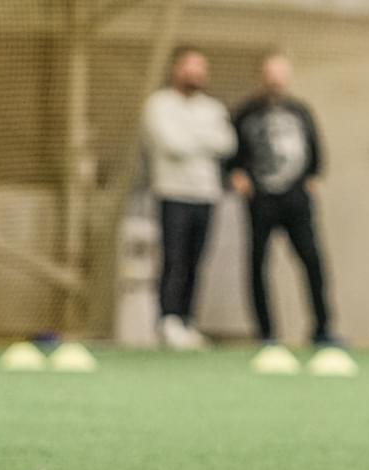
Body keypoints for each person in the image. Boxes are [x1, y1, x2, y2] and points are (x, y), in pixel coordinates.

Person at [228, 53, 336, 352]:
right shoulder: (245, 113)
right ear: (262, 76)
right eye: (270, 73)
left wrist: (312, 177)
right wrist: (236, 175)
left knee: (312, 261)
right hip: (261, 199)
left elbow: (315, 149)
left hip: (296, 199)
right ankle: (266, 333)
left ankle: (322, 328)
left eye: (280, 74)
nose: (276, 79)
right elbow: (230, 153)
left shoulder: (300, 111)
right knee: (258, 263)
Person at [141, 46, 236, 350]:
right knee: (174, 258)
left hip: (206, 194)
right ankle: (168, 320)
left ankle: (187, 320)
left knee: (197, 260)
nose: (195, 73)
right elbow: (172, 144)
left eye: (200, 68)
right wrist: (202, 139)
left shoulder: (213, 108)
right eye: (189, 67)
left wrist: (194, 138)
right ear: (176, 69)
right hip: (172, 192)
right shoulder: (158, 104)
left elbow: (226, 143)